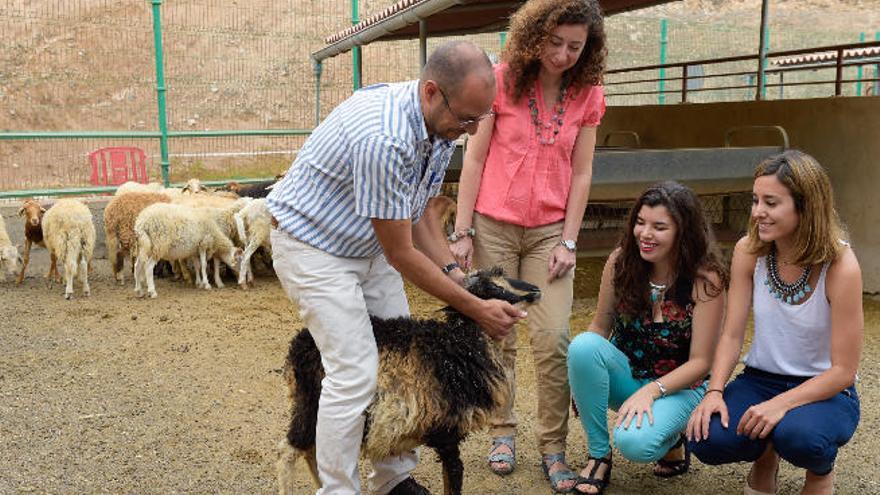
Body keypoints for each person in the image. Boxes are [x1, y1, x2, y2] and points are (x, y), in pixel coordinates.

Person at [266, 41, 527, 495]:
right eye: (465, 118)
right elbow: (402, 254)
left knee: (402, 356)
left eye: (478, 120)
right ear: (431, 92)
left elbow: (419, 213)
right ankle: (338, 490)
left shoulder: (439, 128)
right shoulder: (385, 137)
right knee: (354, 370)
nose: (468, 130)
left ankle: (393, 480)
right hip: (314, 248)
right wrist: (474, 307)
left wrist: (455, 275)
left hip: (366, 242)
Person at [448, 0, 606, 491]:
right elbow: (473, 161)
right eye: (555, 42)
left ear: (588, 48)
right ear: (535, 35)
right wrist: (461, 231)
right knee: (500, 334)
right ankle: (501, 430)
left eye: (575, 47)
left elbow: (582, 174)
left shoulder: (588, 95)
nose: (562, 54)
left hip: (550, 233)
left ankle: (553, 447)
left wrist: (570, 240)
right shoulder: (501, 80)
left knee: (554, 336)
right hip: (493, 222)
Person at [686, 150, 862, 495]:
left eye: (770, 203)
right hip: (760, 379)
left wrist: (779, 405)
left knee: (801, 437)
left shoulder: (841, 265)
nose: (757, 213)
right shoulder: (748, 251)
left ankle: (820, 471)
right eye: (755, 200)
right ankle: (765, 456)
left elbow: (843, 370)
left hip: (826, 388)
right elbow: (732, 333)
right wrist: (715, 391)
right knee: (707, 438)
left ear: (805, 206)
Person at [567, 181, 728, 494]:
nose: (645, 234)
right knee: (582, 347)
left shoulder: (706, 280)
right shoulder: (621, 261)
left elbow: (701, 362)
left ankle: (675, 436)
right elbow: (600, 327)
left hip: (683, 386)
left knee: (635, 445)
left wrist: (654, 391)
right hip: (630, 375)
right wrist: (582, 378)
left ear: (684, 231)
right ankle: (599, 455)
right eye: (640, 223)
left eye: (659, 227)